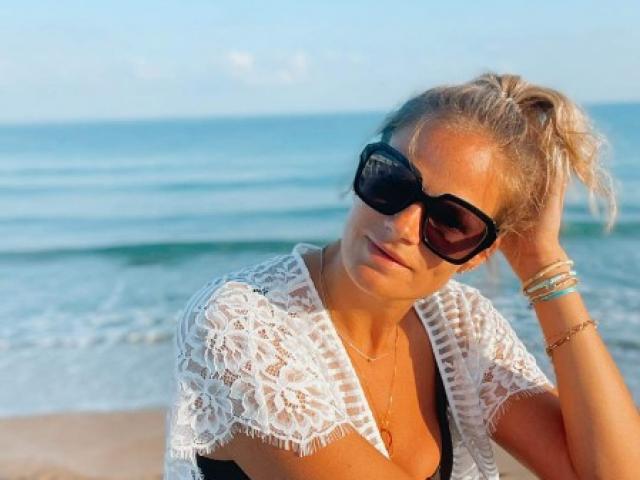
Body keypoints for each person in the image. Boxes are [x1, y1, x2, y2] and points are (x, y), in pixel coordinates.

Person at [163, 73, 640, 479]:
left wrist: (542, 263)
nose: (402, 227)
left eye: (451, 221)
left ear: (478, 254)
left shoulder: (459, 327)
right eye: (393, 180)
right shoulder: (239, 324)